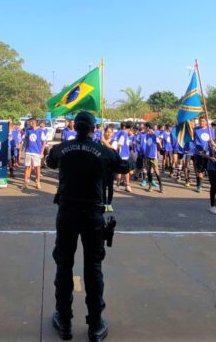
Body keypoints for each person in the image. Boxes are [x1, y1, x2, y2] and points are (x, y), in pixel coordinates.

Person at [46, 111, 129, 342]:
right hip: (92, 215)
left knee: (64, 266)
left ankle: (64, 321)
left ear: (75, 127)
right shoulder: (103, 152)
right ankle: (95, 325)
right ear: (93, 128)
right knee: (93, 269)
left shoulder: (62, 148)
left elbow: (50, 161)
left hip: (67, 213)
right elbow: (124, 166)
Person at [192, 117, 214, 193]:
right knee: (199, 169)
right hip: (198, 152)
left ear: (206, 122)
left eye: (203, 121)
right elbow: (192, 139)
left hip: (209, 153)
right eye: (200, 121)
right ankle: (199, 185)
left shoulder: (211, 130)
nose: (201, 122)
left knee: (210, 169)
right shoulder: (195, 129)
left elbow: (213, 140)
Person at [23, 118, 45, 189]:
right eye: (29, 122)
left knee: (37, 167)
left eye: (31, 122)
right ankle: (26, 182)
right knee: (27, 167)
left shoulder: (40, 131)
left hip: (36, 152)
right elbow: (25, 139)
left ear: (35, 123)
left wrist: (42, 152)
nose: (30, 124)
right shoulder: (28, 130)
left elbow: (44, 141)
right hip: (28, 151)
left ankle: (38, 182)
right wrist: (24, 148)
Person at [142, 122, 163, 193]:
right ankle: (150, 186)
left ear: (148, 128)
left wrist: (160, 148)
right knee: (148, 172)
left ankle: (161, 186)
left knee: (156, 171)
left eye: (145, 127)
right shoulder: (147, 135)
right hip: (147, 155)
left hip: (153, 156)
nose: (144, 129)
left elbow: (159, 144)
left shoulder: (155, 135)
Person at [101, 127, 117, 212]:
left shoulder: (114, 141)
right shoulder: (101, 142)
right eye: (107, 132)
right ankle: (104, 203)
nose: (108, 133)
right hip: (103, 167)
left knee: (110, 186)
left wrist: (104, 142)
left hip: (111, 167)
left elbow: (113, 150)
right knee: (103, 186)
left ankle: (109, 203)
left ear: (112, 133)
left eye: (110, 132)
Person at [114, 122, 132, 193]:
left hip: (126, 155)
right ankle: (120, 185)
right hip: (122, 156)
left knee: (125, 171)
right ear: (130, 128)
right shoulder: (123, 134)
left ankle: (126, 185)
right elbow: (119, 145)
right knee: (121, 171)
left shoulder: (126, 135)